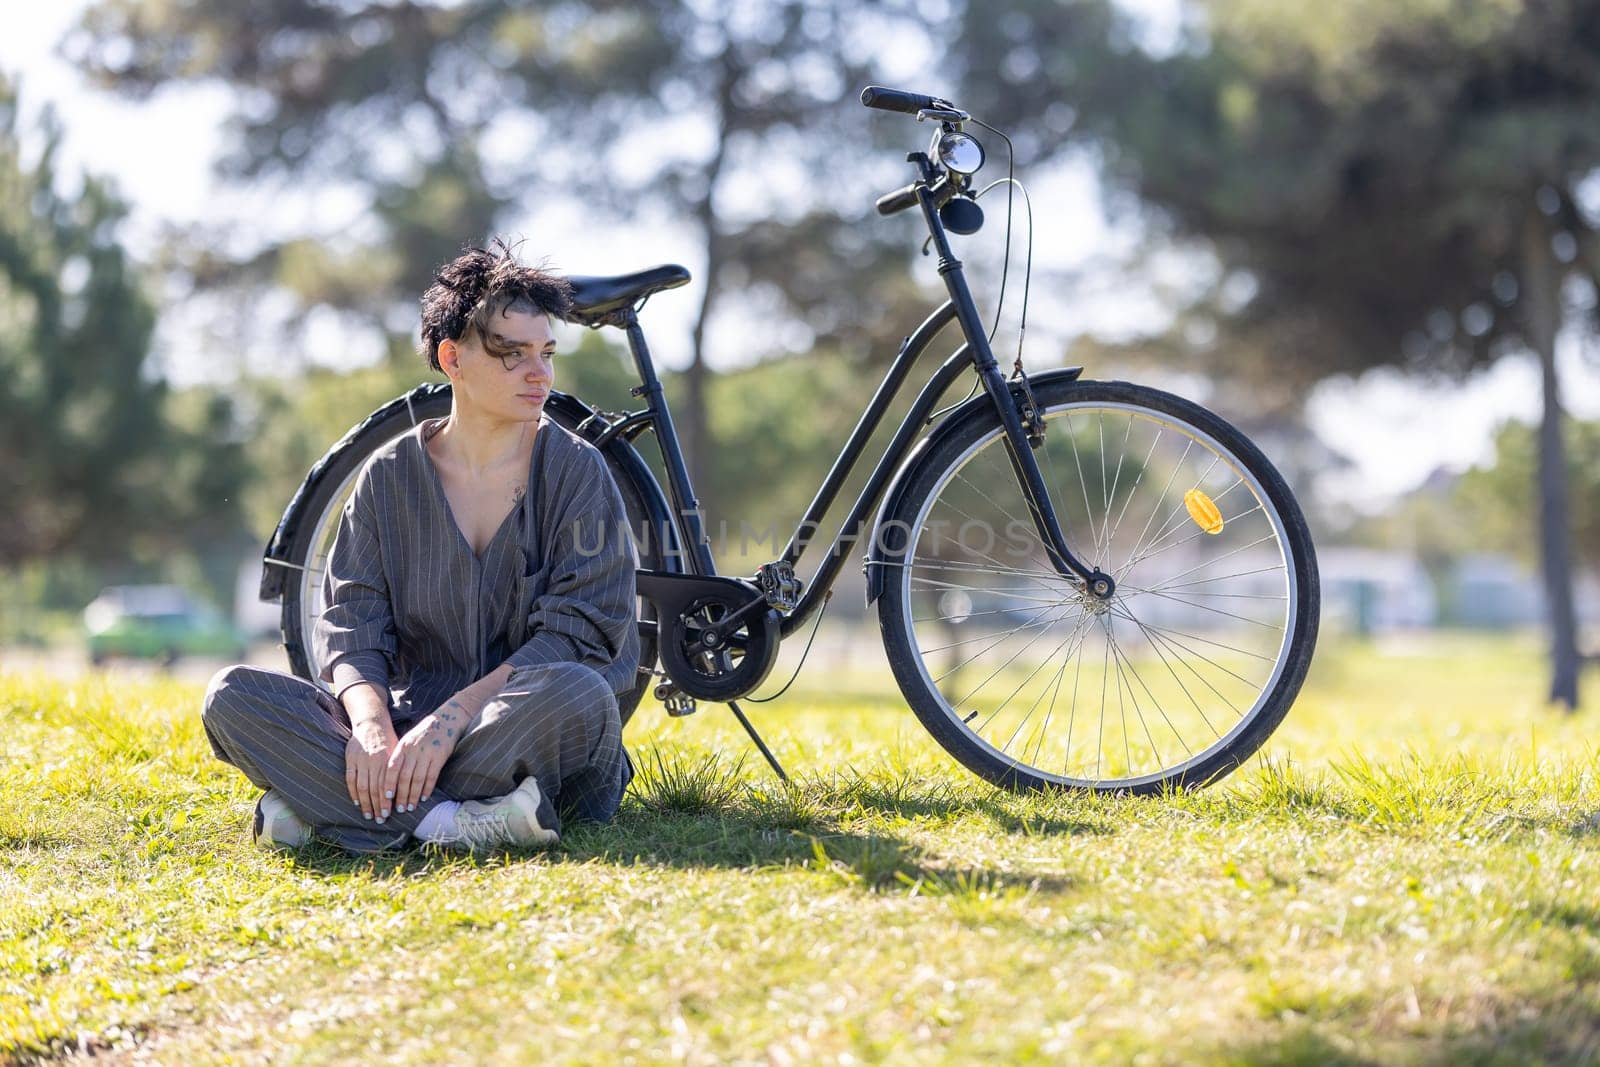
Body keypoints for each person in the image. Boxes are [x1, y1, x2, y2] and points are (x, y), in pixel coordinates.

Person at [202, 242, 639, 854]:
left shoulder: (578, 472)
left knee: (580, 693)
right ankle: (458, 824)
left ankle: (332, 806)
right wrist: (373, 726)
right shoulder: (387, 475)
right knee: (233, 696)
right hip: (407, 729)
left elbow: (579, 639)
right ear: (451, 357)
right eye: (511, 355)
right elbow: (351, 625)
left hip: (526, 732)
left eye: (546, 354)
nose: (539, 374)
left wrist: (449, 720)